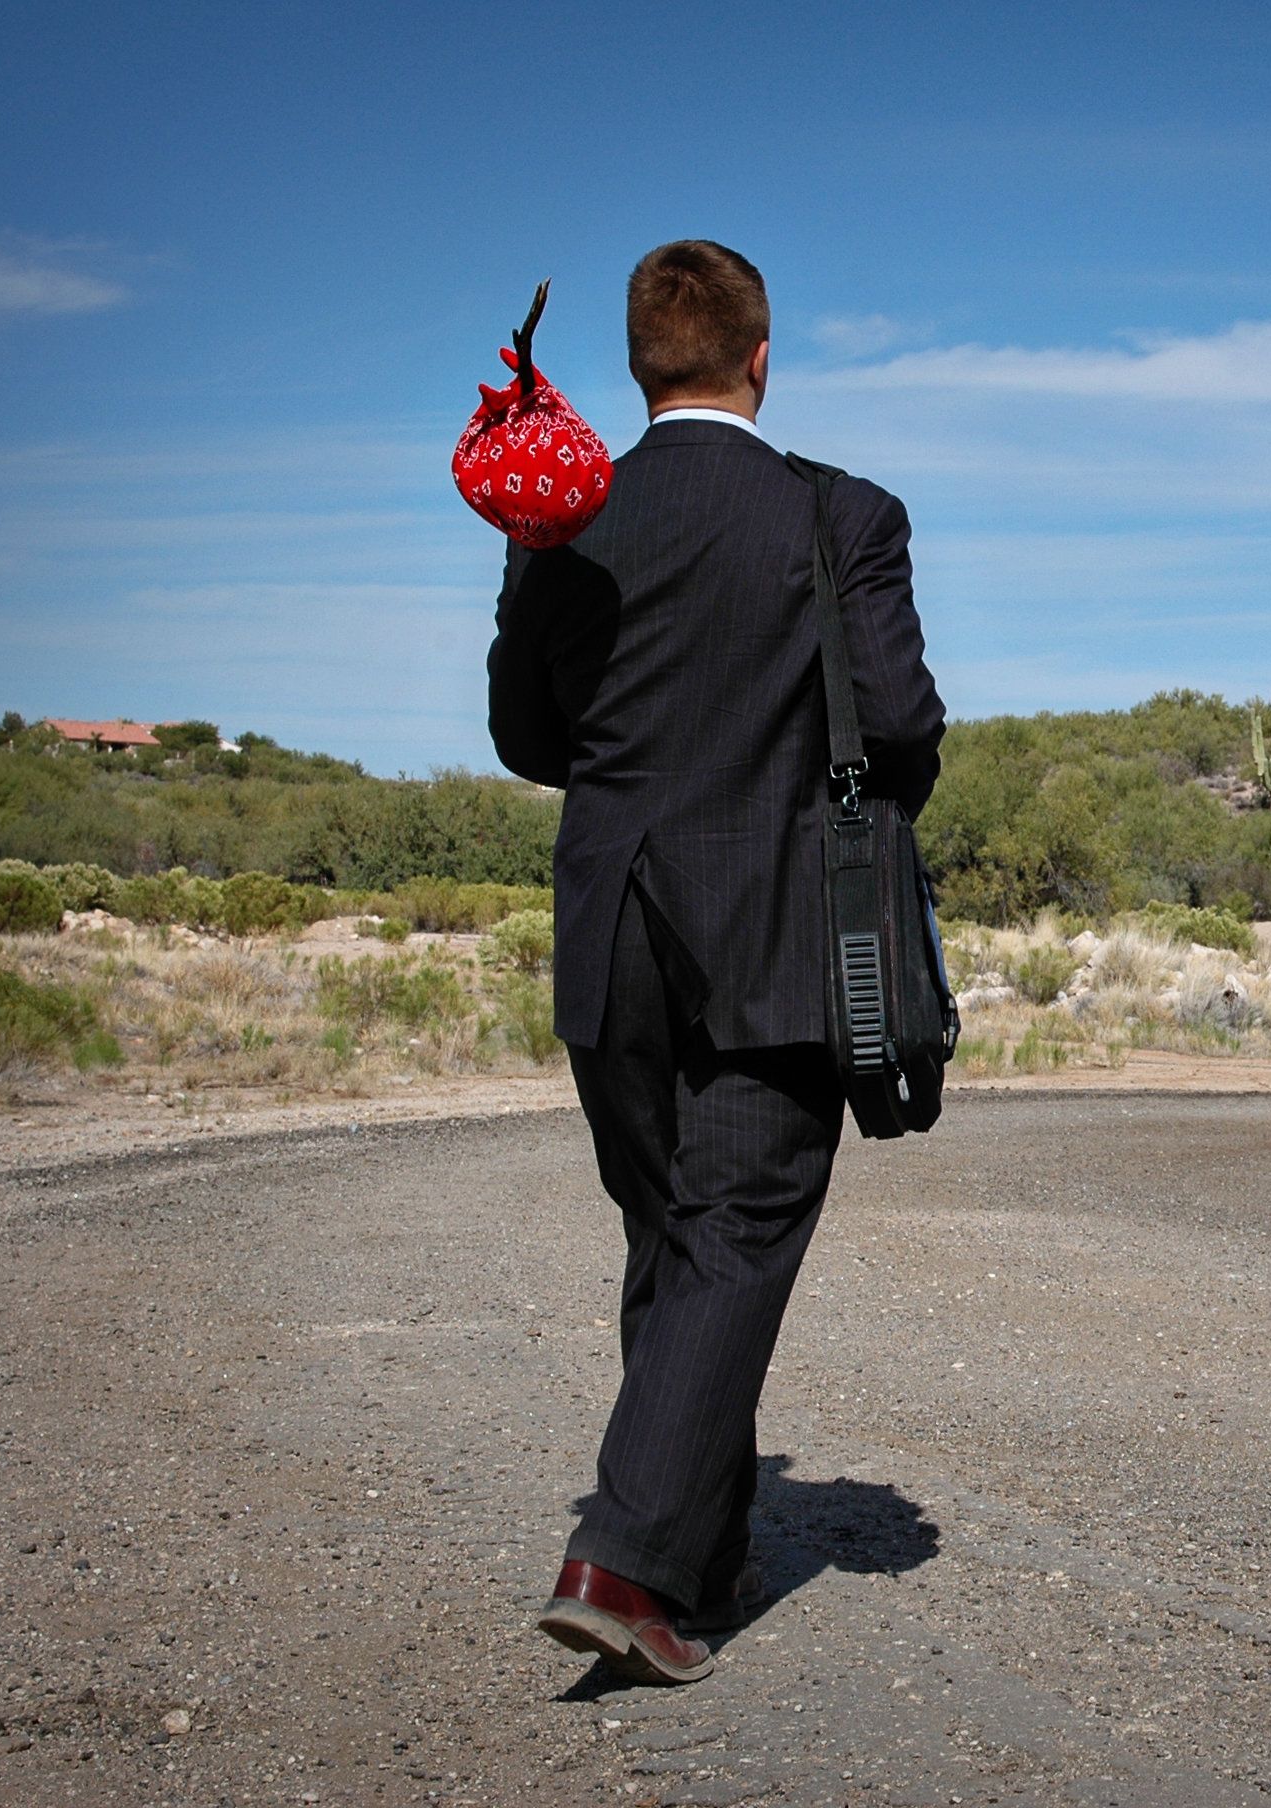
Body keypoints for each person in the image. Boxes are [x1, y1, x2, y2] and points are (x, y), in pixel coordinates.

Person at [486, 239, 946, 1684]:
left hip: (607, 929)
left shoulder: (565, 520)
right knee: (734, 1231)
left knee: (674, 1236)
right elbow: (899, 723)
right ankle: (622, 1563)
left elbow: (524, 736)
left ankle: (699, 1551)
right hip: (774, 927)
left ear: (640, 365)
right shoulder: (842, 514)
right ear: (760, 357)